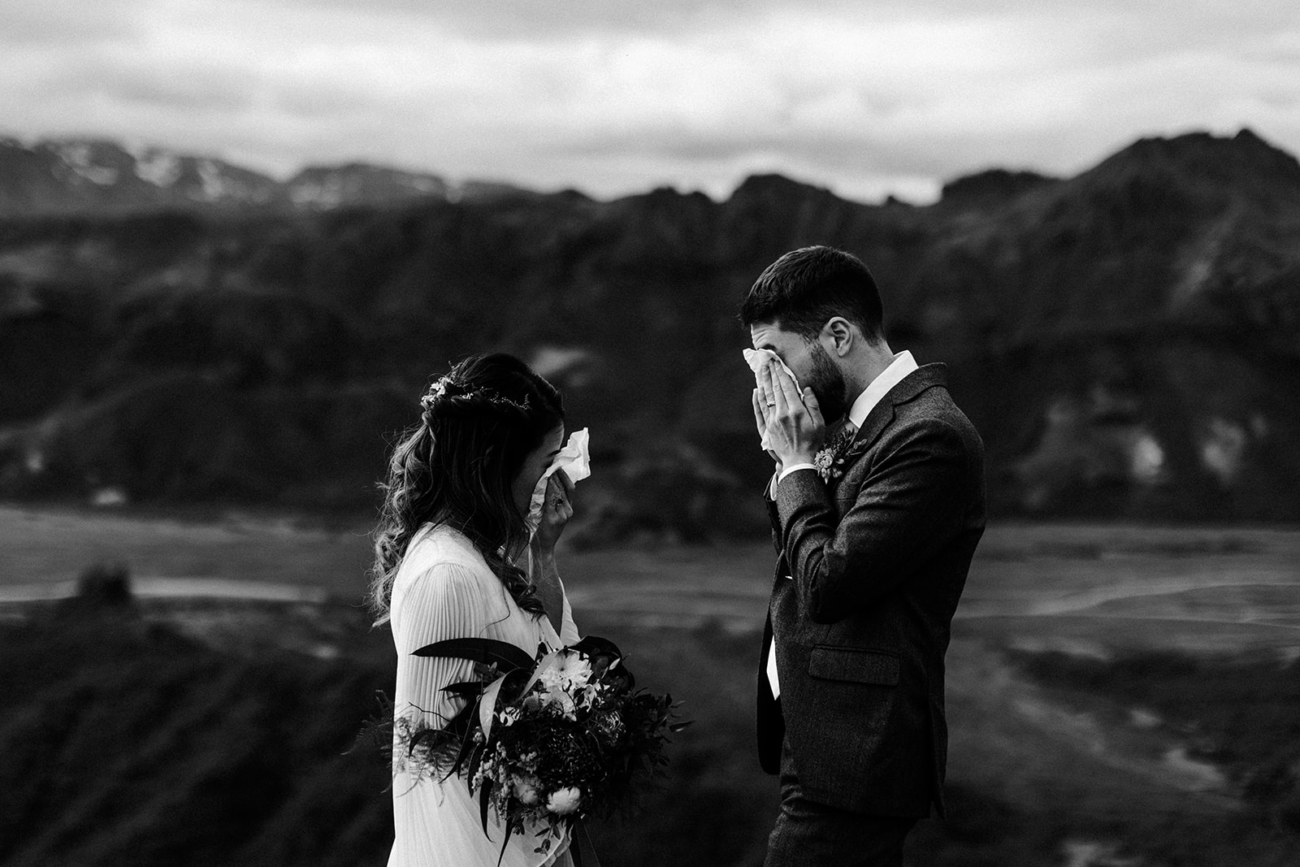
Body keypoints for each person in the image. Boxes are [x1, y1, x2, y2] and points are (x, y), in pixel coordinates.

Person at [741, 246, 986, 866]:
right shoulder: (855, 424)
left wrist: (797, 463)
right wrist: (790, 462)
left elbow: (826, 583)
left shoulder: (929, 434)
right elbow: (800, 558)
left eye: (775, 359)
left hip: (859, 752)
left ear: (839, 336)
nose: (770, 381)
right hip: (824, 740)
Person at [369, 353, 580, 867]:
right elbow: (437, 773)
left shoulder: (484, 552)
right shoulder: (447, 577)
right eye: (547, 461)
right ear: (496, 464)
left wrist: (543, 553)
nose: (559, 478)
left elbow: (555, 661)